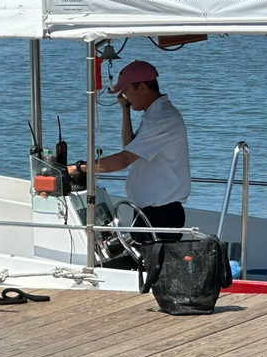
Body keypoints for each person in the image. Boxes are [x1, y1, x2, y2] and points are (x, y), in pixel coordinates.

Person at [69, 60, 190, 241]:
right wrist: (126, 111)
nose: (125, 97)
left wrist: (79, 168)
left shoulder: (162, 118)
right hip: (150, 209)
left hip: (162, 212)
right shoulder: (153, 115)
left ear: (142, 87)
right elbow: (129, 148)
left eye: (126, 91)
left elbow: (123, 160)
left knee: (151, 265)